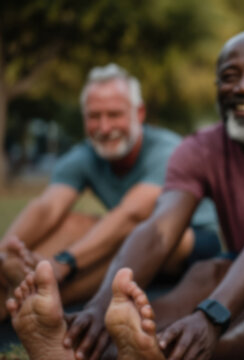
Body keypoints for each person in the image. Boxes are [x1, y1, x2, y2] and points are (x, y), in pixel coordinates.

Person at [8, 31, 244, 360]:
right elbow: (159, 230)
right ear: (217, 87)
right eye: (229, 77)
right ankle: (91, 345)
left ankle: (171, 355)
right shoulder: (197, 148)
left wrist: (211, 317)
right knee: (203, 273)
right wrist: (99, 307)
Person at [0, 64, 218, 321]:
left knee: (123, 235)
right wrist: (5, 252)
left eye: (115, 115)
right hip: (133, 237)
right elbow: (48, 207)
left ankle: (32, 297)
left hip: (189, 241)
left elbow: (133, 214)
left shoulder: (167, 151)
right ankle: (17, 285)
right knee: (73, 223)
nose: (104, 128)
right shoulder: (84, 155)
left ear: (139, 113)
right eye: (94, 116)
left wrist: (64, 262)